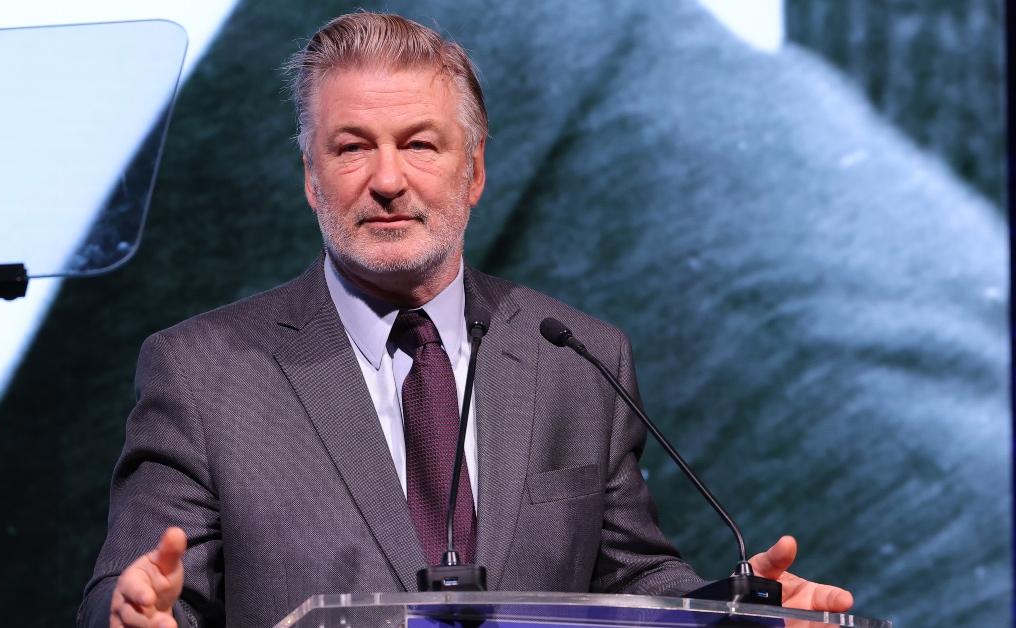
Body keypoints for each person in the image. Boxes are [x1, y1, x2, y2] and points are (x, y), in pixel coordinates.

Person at [79, 12, 854, 628]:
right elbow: (139, 590)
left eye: (419, 144)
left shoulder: (576, 357)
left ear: (474, 172)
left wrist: (734, 613)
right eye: (352, 149)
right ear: (312, 181)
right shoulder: (205, 371)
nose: (387, 180)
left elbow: (631, 580)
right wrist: (136, 616)